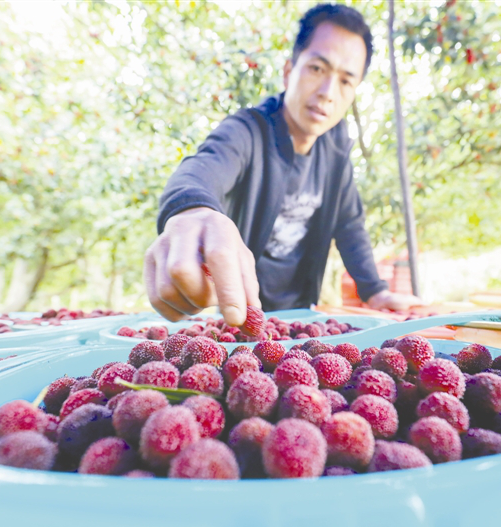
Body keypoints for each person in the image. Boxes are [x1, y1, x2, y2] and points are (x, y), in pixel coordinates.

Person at [145, 3, 420, 326]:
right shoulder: (248, 131)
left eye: (346, 81)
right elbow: (203, 169)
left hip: (302, 319)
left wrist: (375, 291)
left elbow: (349, 225)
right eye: (317, 68)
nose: (328, 92)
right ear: (290, 71)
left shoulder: (336, 152)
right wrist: (192, 210)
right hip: (241, 319)